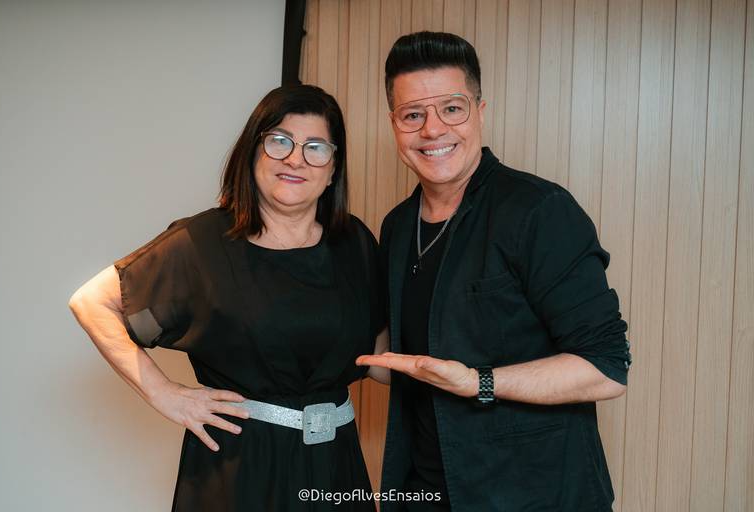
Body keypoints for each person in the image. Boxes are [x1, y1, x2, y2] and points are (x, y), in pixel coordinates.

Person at [69, 84, 389, 512]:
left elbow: (378, 358)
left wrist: (463, 377)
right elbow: (90, 301)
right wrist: (165, 394)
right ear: (252, 152)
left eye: (316, 147)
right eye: (279, 141)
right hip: (240, 469)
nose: (296, 159)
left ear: (333, 169)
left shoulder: (355, 242)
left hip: (335, 468)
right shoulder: (202, 241)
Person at [356, 32, 632, 511]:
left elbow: (606, 370)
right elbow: (395, 363)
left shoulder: (539, 210)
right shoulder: (398, 226)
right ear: (394, 124)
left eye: (452, 108)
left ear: (480, 112)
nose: (433, 129)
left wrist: (477, 382)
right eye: (413, 114)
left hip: (534, 497)